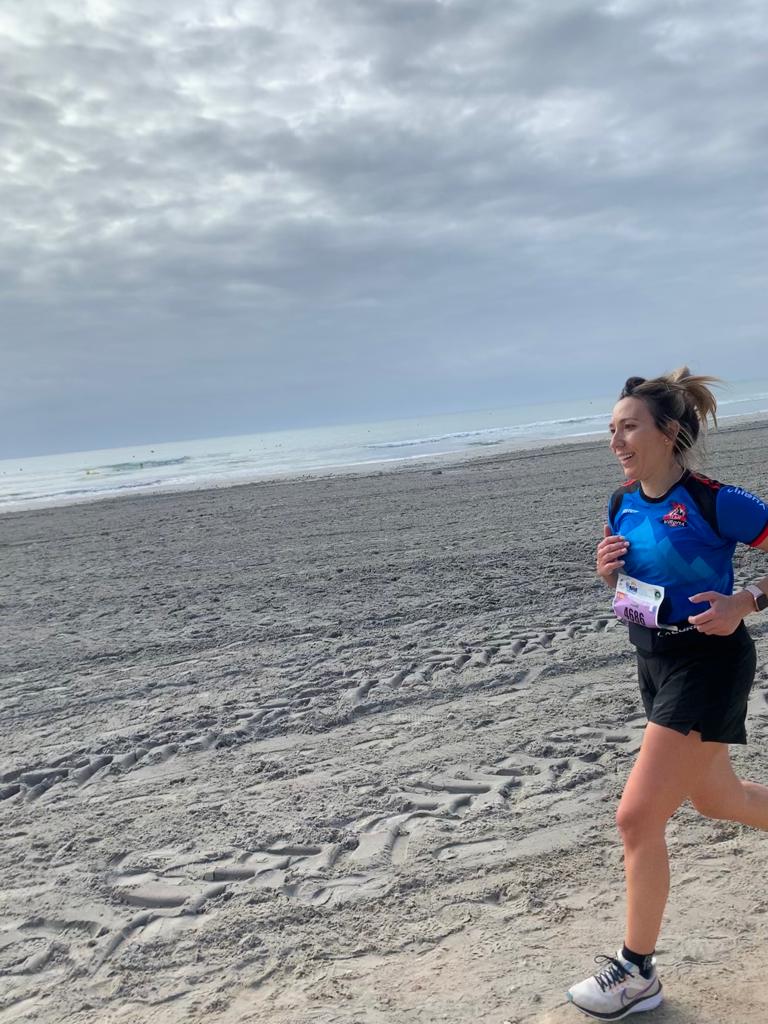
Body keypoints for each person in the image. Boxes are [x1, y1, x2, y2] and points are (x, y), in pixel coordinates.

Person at [567, 367, 768, 1020]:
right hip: (652, 659)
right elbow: (638, 592)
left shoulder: (717, 500)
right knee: (720, 799)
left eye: (628, 426)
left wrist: (748, 600)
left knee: (636, 818)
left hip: (709, 664)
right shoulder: (621, 502)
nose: (616, 440)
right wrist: (610, 581)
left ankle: (637, 973)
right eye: (612, 429)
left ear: (668, 432)